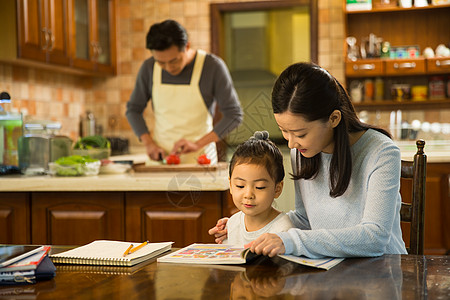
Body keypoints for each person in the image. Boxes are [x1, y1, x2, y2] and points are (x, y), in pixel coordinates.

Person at [209, 62, 408, 258]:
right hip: (329, 270)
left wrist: (289, 241)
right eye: (284, 131)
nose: (292, 143)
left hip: (380, 272)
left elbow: (375, 238)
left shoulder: (381, 152)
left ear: (334, 119)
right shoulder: (302, 152)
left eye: (300, 133)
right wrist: (248, 224)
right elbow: (304, 219)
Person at [126, 19, 243, 164]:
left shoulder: (212, 67)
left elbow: (234, 115)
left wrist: (197, 144)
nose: (168, 68)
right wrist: (149, 143)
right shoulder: (148, 68)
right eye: (161, 62)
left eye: (174, 61)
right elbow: (133, 110)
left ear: (187, 46)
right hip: (162, 161)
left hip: (201, 160)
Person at [225, 131, 293, 246]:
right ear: (231, 186)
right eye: (240, 186)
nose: (248, 194)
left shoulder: (283, 230)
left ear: (277, 189)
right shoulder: (232, 223)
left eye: (259, 187)